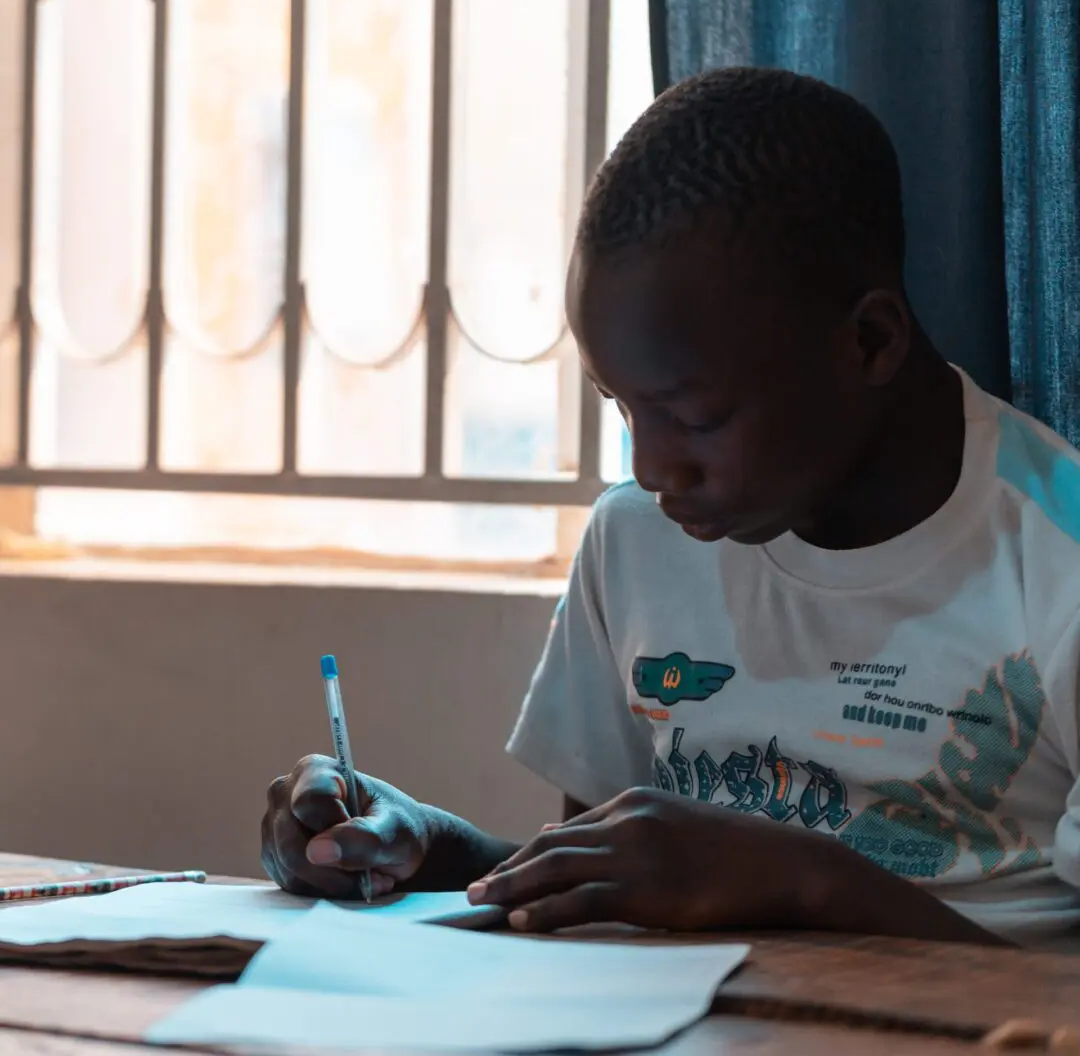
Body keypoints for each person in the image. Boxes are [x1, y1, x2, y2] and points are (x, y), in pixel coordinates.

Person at [261, 66, 1080, 949]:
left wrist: (800, 880)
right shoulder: (638, 541)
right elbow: (599, 890)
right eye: (621, 407)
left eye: (695, 417)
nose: (652, 468)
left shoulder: (1054, 552)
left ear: (870, 341)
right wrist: (420, 847)